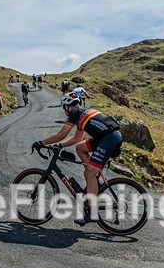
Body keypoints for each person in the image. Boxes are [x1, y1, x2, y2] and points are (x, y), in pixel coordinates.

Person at [33, 91, 123, 226]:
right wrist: (59, 146)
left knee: (89, 173)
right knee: (80, 148)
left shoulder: (74, 113)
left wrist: (42, 143)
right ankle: (94, 181)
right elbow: (77, 139)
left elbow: (62, 133)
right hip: (107, 137)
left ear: (66, 107)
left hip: (109, 138)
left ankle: (92, 212)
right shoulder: (83, 113)